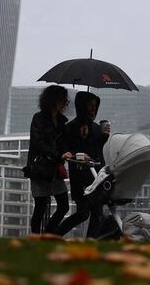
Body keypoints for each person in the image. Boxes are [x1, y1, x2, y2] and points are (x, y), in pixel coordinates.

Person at [55, 91, 110, 237]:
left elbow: (100, 153)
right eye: (89, 106)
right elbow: (65, 149)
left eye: (95, 106)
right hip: (80, 177)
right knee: (83, 212)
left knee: (97, 211)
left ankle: (91, 241)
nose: (93, 109)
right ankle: (56, 235)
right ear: (82, 107)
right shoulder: (70, 128)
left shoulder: (97, 129)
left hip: (96, 175)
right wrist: (79, 147)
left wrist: (104, 138)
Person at [26, 85, 72, 234]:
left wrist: (66, 152)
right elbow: (38, 142)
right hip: (40, 167)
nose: (65, 104)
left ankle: (48, 234)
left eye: (66, 101)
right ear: (54, 100)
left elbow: (64, 142)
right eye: (63, 100)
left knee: (63, 205)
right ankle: (35, 237)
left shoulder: (62, 121)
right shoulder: (38, 118)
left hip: (55, 169)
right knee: (40, 205)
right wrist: (58, 155)